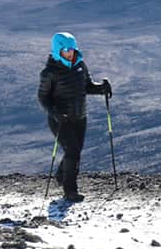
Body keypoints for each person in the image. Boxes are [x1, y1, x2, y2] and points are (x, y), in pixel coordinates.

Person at [37, 32, 112, 202]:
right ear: (58, 50)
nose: (70, 53)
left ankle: (61, 175)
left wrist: (102, 88)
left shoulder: (80, 65)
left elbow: (87, 86)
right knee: (73, 151)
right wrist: (54, 112)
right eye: (66, 49)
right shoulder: (49, 72)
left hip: (80, 117)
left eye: (72, 49)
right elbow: (43, 98)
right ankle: (70, 190)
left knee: (75, 151)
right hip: (60, 120)